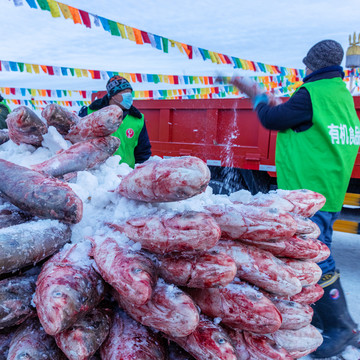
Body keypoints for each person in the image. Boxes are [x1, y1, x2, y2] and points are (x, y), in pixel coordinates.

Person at [228, 40, 360, 358]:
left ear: (313, 65)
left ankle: (342, 327)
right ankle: (320, 321)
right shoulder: (340, 94)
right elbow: (297, 120)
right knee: (312, 254)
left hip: (308, 191)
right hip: (329, 189)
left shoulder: (311, 93)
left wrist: (258, 96)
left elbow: (273, 120)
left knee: (317, 256)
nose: (304, 70)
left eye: (306, 64)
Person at [79, 75, 151, 168]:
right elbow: (77, 142)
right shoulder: (90, 112)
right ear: (113, 95)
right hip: (96, 174)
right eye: (125, 92)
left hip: (125, 173)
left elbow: (143, 152)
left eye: (130, 92)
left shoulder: (138, 119)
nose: (129, 96)